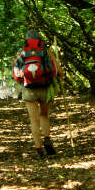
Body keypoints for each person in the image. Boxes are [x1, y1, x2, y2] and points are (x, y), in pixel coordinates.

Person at [12, 29, 63, 159]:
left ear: (27, 39)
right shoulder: (45, 50)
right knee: (44, 115)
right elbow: (57, 69)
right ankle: (47, 139)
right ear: (39, 39)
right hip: (45, 87)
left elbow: (15, 71)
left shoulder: (21, 52)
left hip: (29, 89)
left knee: (34, 120)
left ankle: (39, 149)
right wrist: (61, 75)